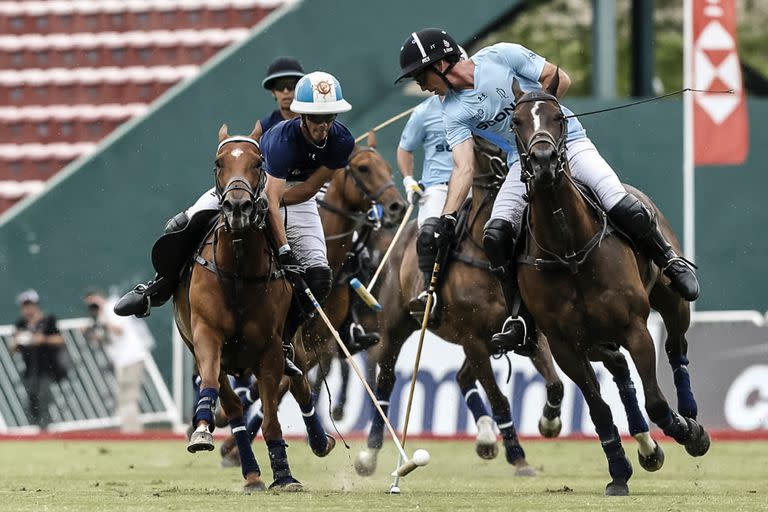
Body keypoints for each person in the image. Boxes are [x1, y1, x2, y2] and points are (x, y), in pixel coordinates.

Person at [395, 28, 700, 354]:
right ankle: (520, 318)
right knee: (496, 235)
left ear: (441, 64)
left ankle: (670, 262)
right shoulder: (451, 110)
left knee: (620, 202)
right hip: (520, 162)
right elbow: (464, 167)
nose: (422, 84)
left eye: (420, 75)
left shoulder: (501, 55)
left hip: (569, 145)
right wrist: (447, 217)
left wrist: (535, 118)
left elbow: (561, 79)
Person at [114, 71, 354, 375]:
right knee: (182, 225)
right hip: (246, 185)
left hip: (295, 196)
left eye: (328, 116)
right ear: (302, 115)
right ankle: (155, 289)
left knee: (319, 278)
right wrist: (283, 251)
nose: (322, 125)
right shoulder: (282, 139)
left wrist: (287, 249)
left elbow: (305, 190)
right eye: (315, 117)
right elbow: (272, 198)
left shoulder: (342, 140)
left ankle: (282, 340)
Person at [396, 47, 469, 318]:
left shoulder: (473, 103)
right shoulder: (423, 112)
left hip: (475, 183)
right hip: (437, 186)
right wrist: (408, 180)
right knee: (428, 235)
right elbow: (405, 149)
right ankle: (429, 293)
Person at [83, 290, 151, 433]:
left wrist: (104, 320)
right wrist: (89, 334)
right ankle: (130, 430)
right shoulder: (103, 315)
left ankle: (133, 432)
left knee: (129, 396)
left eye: (94, 302)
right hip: (122, 360)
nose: (93, 307)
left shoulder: (114, 308)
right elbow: (107, 340)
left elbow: (120, 330)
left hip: (132, 357)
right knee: (123, 398)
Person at [10, 289, 66, 429]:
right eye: (25, 305)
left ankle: (45, 429)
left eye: (30, 305)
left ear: (36, 305)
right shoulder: (20, 324)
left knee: (44, 400)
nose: (28, 308)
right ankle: (37, 430)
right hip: (29, 371)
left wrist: (43, 339)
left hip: (46, 369)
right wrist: (18, 340)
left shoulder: (47, 320)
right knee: (32, 403)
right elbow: (12, 348)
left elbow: (60, 339)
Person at [251, 56, 306, 140]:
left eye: (291, 85)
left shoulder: (317, 120)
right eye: (280, 86)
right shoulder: (264, 128)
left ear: (300, 89)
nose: (286, 91)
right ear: (273, 92)